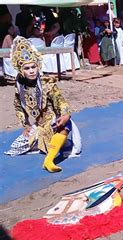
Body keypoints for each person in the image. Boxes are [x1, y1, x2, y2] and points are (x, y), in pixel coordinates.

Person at [5, 37, 82, 172]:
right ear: (21, 70)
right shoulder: (20, 87)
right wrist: (26, 124)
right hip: (39, 126)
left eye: (33, 67)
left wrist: (65, 114)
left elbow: (60, 100)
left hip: (54, 122)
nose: (31, 71)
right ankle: (54, 144)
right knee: (15, 148)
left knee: (66, 124)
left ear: (38, 66)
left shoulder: (47, 83)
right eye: (27, 68)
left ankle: (49, 161)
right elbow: (18, 107)